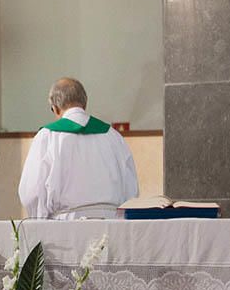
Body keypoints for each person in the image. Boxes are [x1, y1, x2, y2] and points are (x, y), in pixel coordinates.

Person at [18, 77, 139, 219]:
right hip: (110, 223)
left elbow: (32, 192)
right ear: (84, 104)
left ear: (55, 108)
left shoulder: (47, 136)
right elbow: (131, 190)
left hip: (65, 225)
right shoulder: (113, 136)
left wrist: (39, 221)